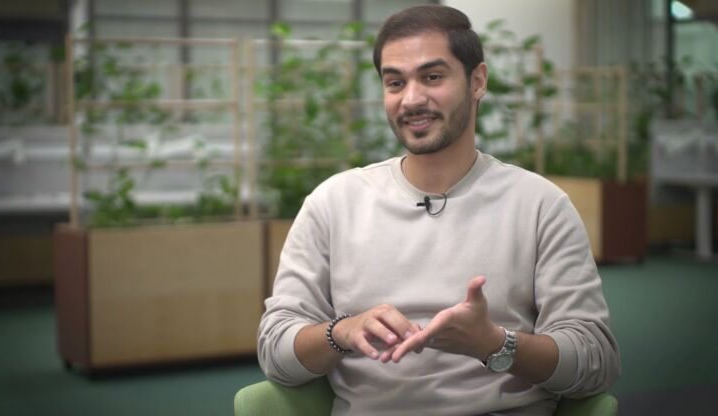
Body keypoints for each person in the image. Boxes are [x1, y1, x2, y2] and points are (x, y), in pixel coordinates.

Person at [258, 4, 620, 415]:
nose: (412, 99)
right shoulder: (333, 202)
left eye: (432, 77)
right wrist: (342, 331)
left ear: (477, 81)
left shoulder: (540, 205)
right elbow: (274, 351)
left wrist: (495, 344)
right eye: (395, 83)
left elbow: (596, 361)